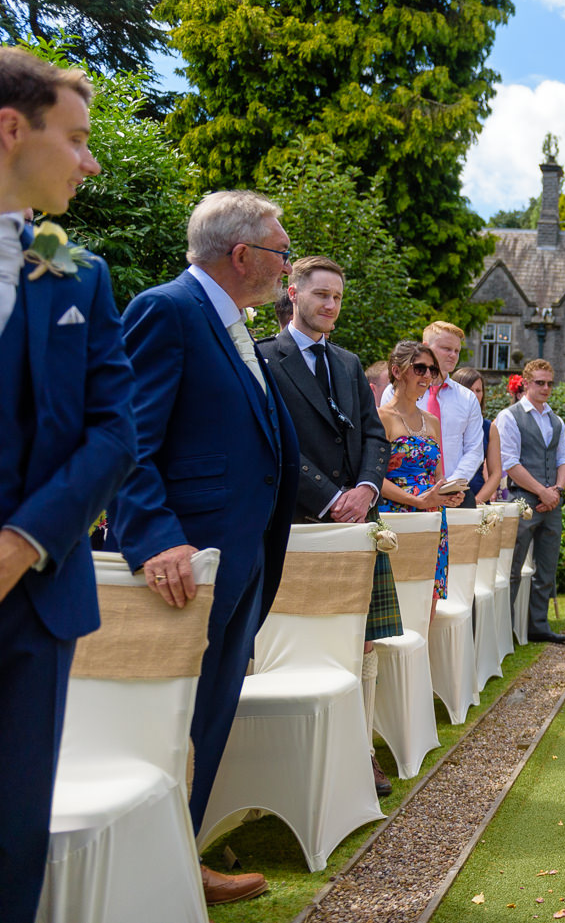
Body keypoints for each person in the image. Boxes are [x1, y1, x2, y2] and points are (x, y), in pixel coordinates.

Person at [111, 190, 300, 906]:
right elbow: (128, 439)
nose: (288, 265)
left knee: (207, 722)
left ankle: (177, 859)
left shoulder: (231, 323)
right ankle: (144, 877)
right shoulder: (169, 311)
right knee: (170, 725)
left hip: (237, 560)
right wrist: (157, 536)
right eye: (282, 252)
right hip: (184, 569)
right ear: (244, 254)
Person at [0, 48, 135, 923]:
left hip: (35, 599)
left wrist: (22, 541)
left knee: (13, 831)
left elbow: (116, 430)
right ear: (11, 129)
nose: (90, 162)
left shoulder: (81, 275)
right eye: (78, 139)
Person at [259, 255, 396, 795]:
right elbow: (274, 439)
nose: (331, 305)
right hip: (299, 523)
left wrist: (364, 489)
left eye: (337, 297)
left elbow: (375, 435)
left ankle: (362, 752)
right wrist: (332, 496)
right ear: (293, 293)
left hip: (360, 522)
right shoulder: (265, 359)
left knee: (363, 643)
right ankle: (291, 762)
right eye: (321, 295)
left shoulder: (347, 361)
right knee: (300, 639)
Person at [378, 341, 465, 611]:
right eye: (420, 369)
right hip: (395, 518)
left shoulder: (433, 422)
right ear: (397, 370)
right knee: (396, 597)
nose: (428, 376)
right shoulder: (380, 418)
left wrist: (449, 493)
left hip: (432, 519)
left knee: (428, 596)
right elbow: (373, 479)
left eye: (432, 371)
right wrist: (416, 501)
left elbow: (438, 475)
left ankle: (423, 653)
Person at [498, 359, 565, 643]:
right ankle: (506, 629)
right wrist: (542, 492)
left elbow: (563, 458)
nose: (545, 388)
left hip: (552, 500)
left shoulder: (557, 420)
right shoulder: (510, 416)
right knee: (513, 567)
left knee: (547, 567)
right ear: (526, 383)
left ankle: (537, 625)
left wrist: (556, 491)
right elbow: (510, 463)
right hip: (522, 500)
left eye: (549, 383)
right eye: (539, 382)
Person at [382, 321, 484, 507]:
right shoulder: (395, 391)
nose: (453, 355)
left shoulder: (467, 398)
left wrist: (448, 487)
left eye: (457, 350)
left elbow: (474, 449)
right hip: (399, 497)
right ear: (426, 347)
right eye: (446, 348)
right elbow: (384, 451)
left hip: (454, 492)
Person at [450, 366, 492, 502]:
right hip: (446, 494)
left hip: (478, 495)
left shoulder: (488, 427)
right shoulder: (442, 421)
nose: (474, 394)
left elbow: (495, 473)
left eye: (478, 390)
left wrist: (476, 502)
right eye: (469, 390)